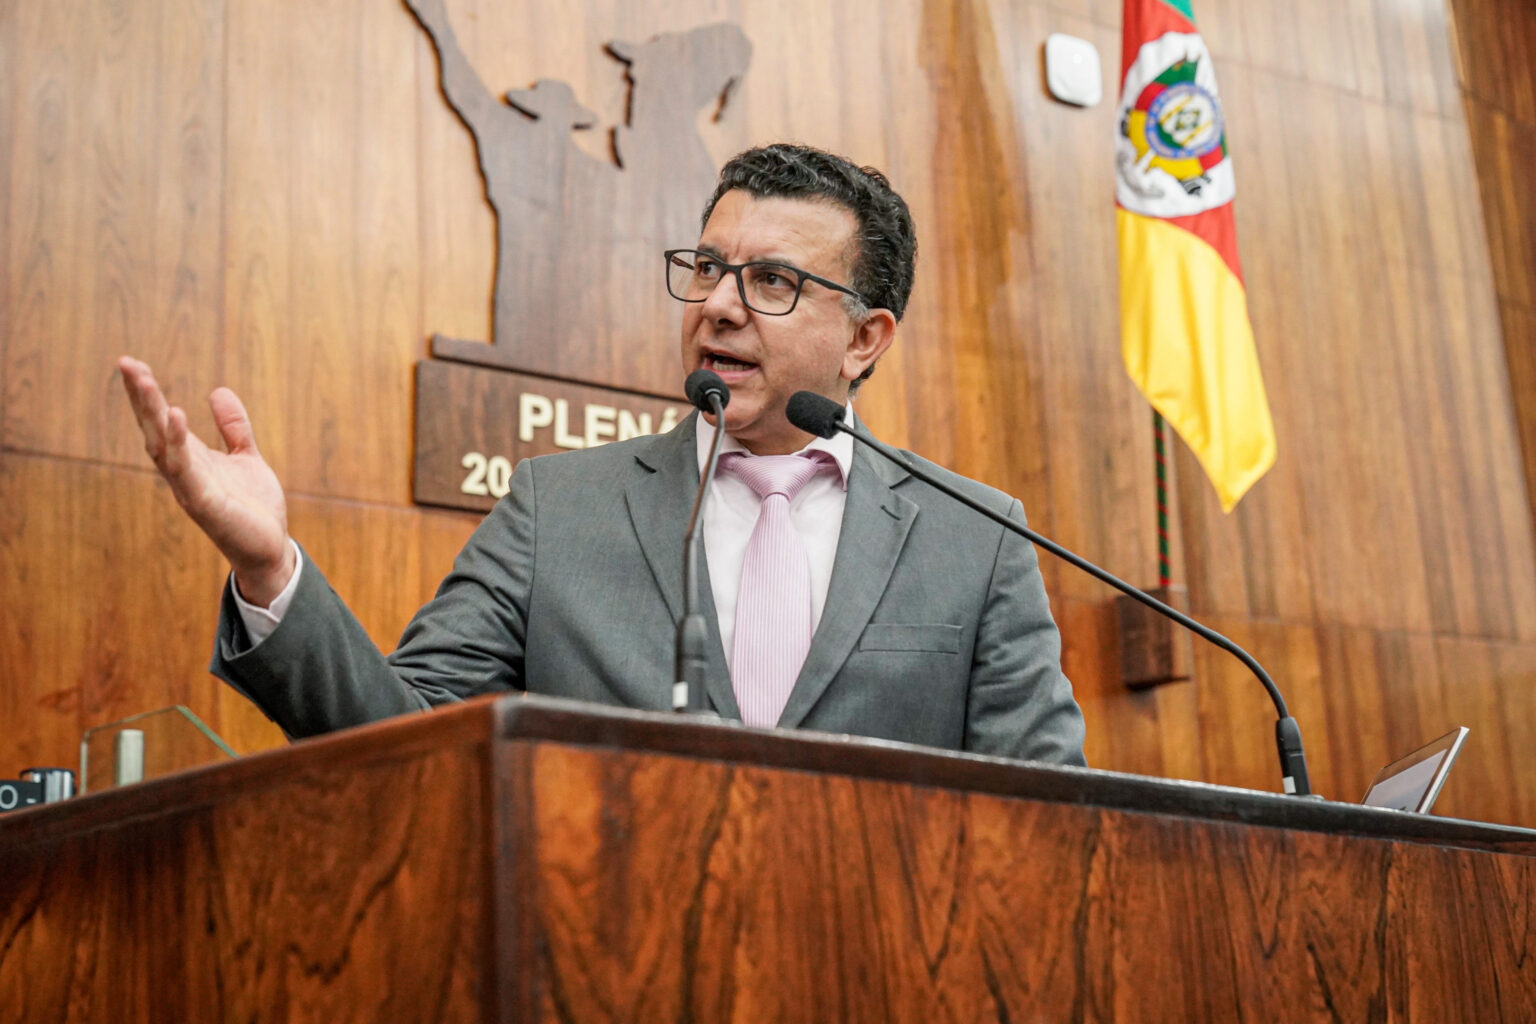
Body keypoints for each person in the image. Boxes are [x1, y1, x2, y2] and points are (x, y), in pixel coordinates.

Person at [119, 143, 1086, 764]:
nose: (717, 303)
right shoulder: (558, 509)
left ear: (866, 338)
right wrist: (267, 567)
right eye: (707, 267)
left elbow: (1049, 815)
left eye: (773, 281)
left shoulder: (972, 536)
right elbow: (401, 739)